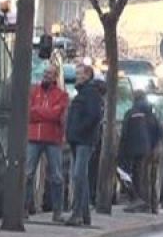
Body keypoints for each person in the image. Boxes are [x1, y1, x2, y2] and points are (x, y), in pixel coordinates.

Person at [26, 64, 68, 220]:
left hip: (52, 139)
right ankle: (25, 207)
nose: (46, 76)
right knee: (28, 174)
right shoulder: (34, 91)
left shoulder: (61, 95)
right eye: (45, 73)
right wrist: (45, 114)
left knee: (56, 176)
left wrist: (38, 112)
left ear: (55, 76)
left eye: (50, 73)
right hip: (34, 137)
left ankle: (57, 211)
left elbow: (57, 115)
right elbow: (29, 112)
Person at [64, 64, 104, 227]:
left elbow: (93, 116)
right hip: (77, 139)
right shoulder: (82, 93)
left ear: (88, 75)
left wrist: (79, 130)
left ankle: (78, 213)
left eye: (79, 73)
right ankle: (84, 214)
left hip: (84, 140)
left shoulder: (91, 93)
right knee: (81, 177)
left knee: (78, 176)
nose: (77, 76)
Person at [118, 89, 163, 208]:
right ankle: (149, 204)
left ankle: (137, 200)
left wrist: (121, 149)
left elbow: (125, 133)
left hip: (132, 149)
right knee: (145, 178)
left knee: (129, 174)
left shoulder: (130, 113)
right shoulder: (150, 114)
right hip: (147, 149)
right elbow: (158, 131)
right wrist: (154, 146)